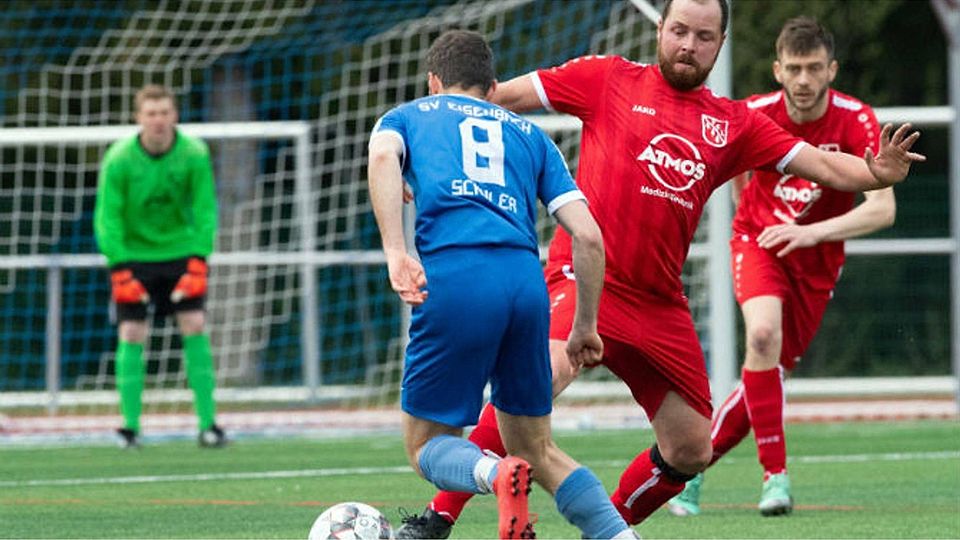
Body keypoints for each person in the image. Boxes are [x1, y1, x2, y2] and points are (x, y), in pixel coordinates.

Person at [396, 0, 924, 537]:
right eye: (678, 31)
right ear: (660, 31)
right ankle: (437, 519)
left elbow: (821, 163)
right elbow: (485, 101)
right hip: (586, 281)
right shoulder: (604, 78)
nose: (687, 45)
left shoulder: (735, 123)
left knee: (693, 447)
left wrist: (874, 172)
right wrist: (425, 151)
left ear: (720, 44)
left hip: (658, 302)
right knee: (540, 381)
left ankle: (610, 526)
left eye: (702, 36)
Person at [368, 30, 637, 540]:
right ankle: (623, 537)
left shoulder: (408, 116)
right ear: (492, 87)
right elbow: (589, 236)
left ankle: (494, 473)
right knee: (538, 449)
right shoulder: (530, 135)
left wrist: (396, 253)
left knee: (425, 445)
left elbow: (382, 158)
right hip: (525, 286)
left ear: (433, 81)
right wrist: (584, 326)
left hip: (456, 279)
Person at [667, 16, 896, 518]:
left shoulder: (857, 119)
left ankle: (689, 470)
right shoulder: (754, 113)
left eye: (814, 67)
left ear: (832, 69)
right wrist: (755, 216)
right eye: (794, 67)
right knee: (763, 337)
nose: (804, 79)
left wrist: (810, 233)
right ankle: (776, 477)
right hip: (760, 243)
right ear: (777, 69)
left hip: (817, 257)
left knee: (763, 377)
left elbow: (884, 208)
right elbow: (730, 170)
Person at [94, 84, 226, 449]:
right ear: (139, 118)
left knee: (195, 324)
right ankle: (130, 427)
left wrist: (199, 260)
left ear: (175, 115)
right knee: (131, 332)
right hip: (133, 255)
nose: (158, 120)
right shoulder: (119, 158)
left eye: (164, 112)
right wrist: (119, 267)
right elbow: (108, 217)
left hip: (181, 251)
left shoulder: (193, 153)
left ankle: (209, 425)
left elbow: (205, 210)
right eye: (151, 113)